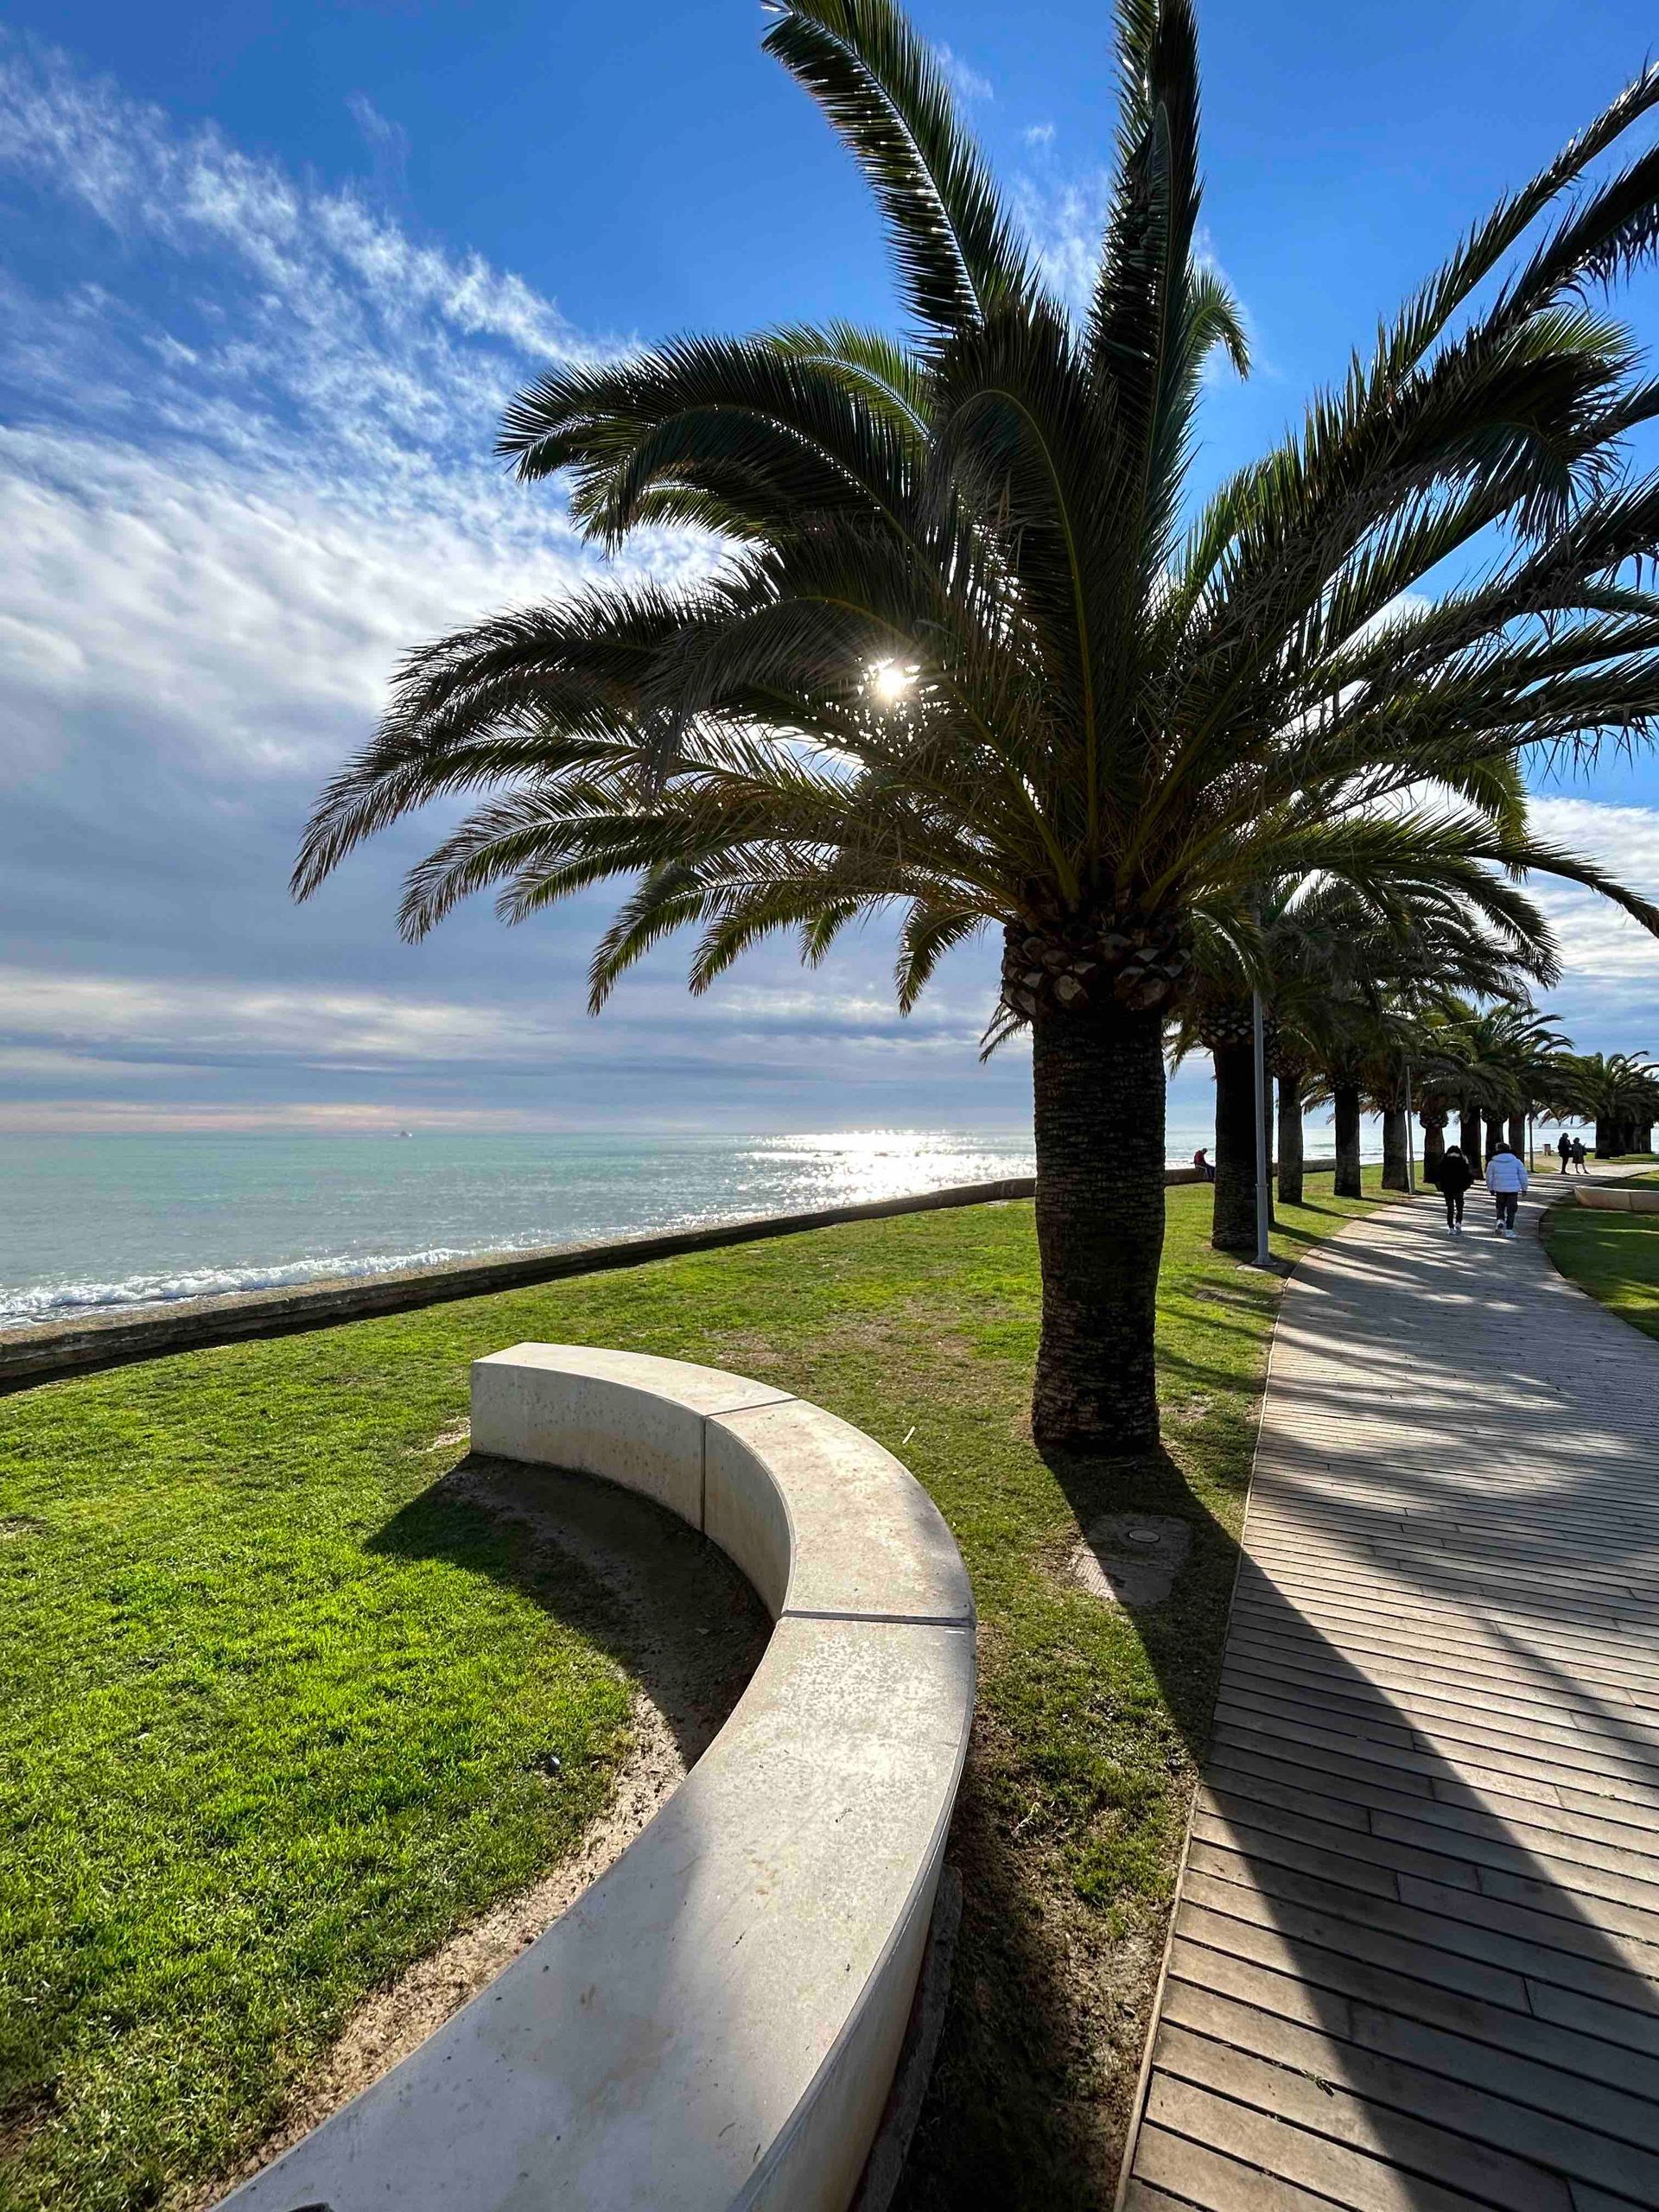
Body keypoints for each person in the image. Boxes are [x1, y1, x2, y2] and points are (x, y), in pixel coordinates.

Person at [1485, 1141, 1529, 1236]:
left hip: (1499, 1189)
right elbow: (1523, 1176)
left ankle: (1500, 1220)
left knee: (1500, 1207)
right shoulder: (1516, 1161)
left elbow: (1489, 1177)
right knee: (1511, 1210)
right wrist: (1524, 1188)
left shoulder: (1492, 1163)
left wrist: (1491, 1188)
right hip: (1513, 1190)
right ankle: (1509, 1231)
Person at [1438, 1145, 1473, 1235]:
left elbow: (1439, 1175)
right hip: (1459, 1188)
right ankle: (1458, 1222)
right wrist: (1465, 1187)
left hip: (1447, 1188)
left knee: (1450, 1208)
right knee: (1459, 1207)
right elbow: (1468, 1176)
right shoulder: (1463, 1162)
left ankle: (1450, 1227)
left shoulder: (1444, 1162)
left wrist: (1441, 1187)